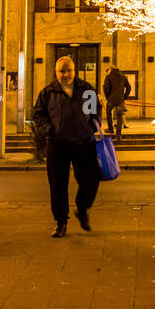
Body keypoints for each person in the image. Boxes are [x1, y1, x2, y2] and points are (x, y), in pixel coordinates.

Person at [31, 56, 102, 238]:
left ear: (74, 70)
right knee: (57, 184)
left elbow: (94, 113)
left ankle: (82, 207)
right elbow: (38, 114)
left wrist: (92, 128)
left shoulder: (86, 90)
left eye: (68, 70)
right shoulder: (48, 92)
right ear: (56, 72)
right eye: (62, 71)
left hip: (83, 142)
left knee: (91, 179)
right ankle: (61, 222)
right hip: (58, 144)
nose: (66, 74)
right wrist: (49, 130)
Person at [102, 65, 131, 142]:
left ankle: (111, 129)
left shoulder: (109, 77)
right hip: (120, 99)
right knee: (119, 116)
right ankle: (118, 134)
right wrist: (125, 97)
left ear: (111, 70)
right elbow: (129, 88)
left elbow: (105, 87)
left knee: (108, 112)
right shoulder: (123, 77)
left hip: (111, 99)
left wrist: (108, 96)